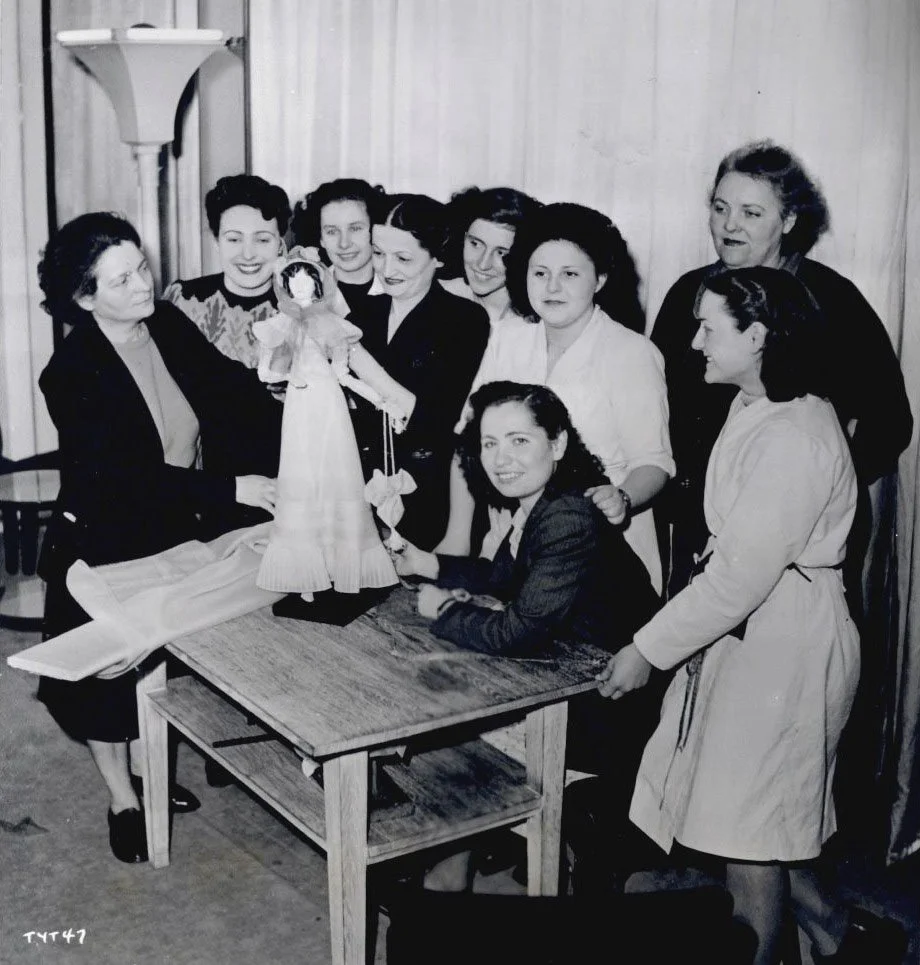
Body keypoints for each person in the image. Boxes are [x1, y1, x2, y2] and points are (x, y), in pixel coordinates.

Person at [599, 268, 907, 965]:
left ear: (759, 335)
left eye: (709, 328)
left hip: (785, 642)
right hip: (759, 634)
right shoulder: (756, 404)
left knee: (748, 836)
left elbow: (741, 577)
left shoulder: (795, 435)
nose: (695, 341)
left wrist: (647, 650)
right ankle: (841, 938)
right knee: (763, 819)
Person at [36, 212, 279, 864]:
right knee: (106, 682)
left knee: (157, 663)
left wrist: (295, 396)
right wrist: (234, 488)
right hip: (104, 540)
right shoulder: (71, 372)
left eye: (141, 267)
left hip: (173, 527)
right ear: (85, 297)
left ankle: (153, 773)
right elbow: (126, 477)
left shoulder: (164, 323)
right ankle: (122, 797)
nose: (144, 284)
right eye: (122, 280)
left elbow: (226, 386)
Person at [394, 380, 662, 891]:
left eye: (519, 441)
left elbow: (517, 631)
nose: (501, 459)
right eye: (489, 443)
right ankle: (449, 867)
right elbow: (502, 580)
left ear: (557, 444)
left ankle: (448, 874)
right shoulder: (542, 502)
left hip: (605, 708)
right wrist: (427, 563)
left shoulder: (567, 516)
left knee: (439, 725)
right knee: (438, 712)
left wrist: (443, 609)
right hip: (573, 676)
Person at [651, 140, 912, 600]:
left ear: (788, 221)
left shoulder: (831, 300)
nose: (729, 225)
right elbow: (659, 404)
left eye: (751, 213)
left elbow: (890, 422)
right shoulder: (687, 294)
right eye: (720, 208)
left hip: (801, 540)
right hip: (701, 519)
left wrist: (817, 487)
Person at [438, 202, 674, 595]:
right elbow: (469, 441)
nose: (551, 287)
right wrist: (457, 539)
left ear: (599, 278)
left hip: (598, 549)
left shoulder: (631, 353)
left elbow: (654, 462)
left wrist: (622, 497)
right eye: (540, 273)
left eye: (569, 274)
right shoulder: (508, 337)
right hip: (508, 546)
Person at [251, 247, 414, 600]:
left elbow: (343, 374)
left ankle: (340, 567)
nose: (301, 287)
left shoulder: (332, 325)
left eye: (307, 280)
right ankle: (304, 573)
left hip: (330, 405)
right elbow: (265, 373)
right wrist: (285, 371)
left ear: (318, 283)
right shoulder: (280, 325)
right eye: (294, 281)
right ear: (285, 287)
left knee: (338, 477)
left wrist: (381, 400)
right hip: (299, 407)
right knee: (302, 478)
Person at [348, 193, 490, 549]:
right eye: (378, 253)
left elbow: (434, 422)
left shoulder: (465, 320)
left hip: (430, 499)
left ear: (438, 257)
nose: (387, 270)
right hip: (359, 490)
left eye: (403, 258)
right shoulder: (363, 313)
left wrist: (355, 357)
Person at [163, 173, 292, 368]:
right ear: (217, 242)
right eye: (234, 239)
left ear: (280, 244)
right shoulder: (182, 301)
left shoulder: (301, 309)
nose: (248, 254)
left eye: (262, 240)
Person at [440, 186, 542, 326]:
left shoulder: (542, 323)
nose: (483, 264)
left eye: (501, 253)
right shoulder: (430, 298)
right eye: (475, 244)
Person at [289, 177, 386, 319]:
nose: (344, 244)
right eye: (332, 231)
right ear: (320, 238)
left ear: (374, 230)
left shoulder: (400, 291)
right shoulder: (301, 295)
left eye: (355, 228)